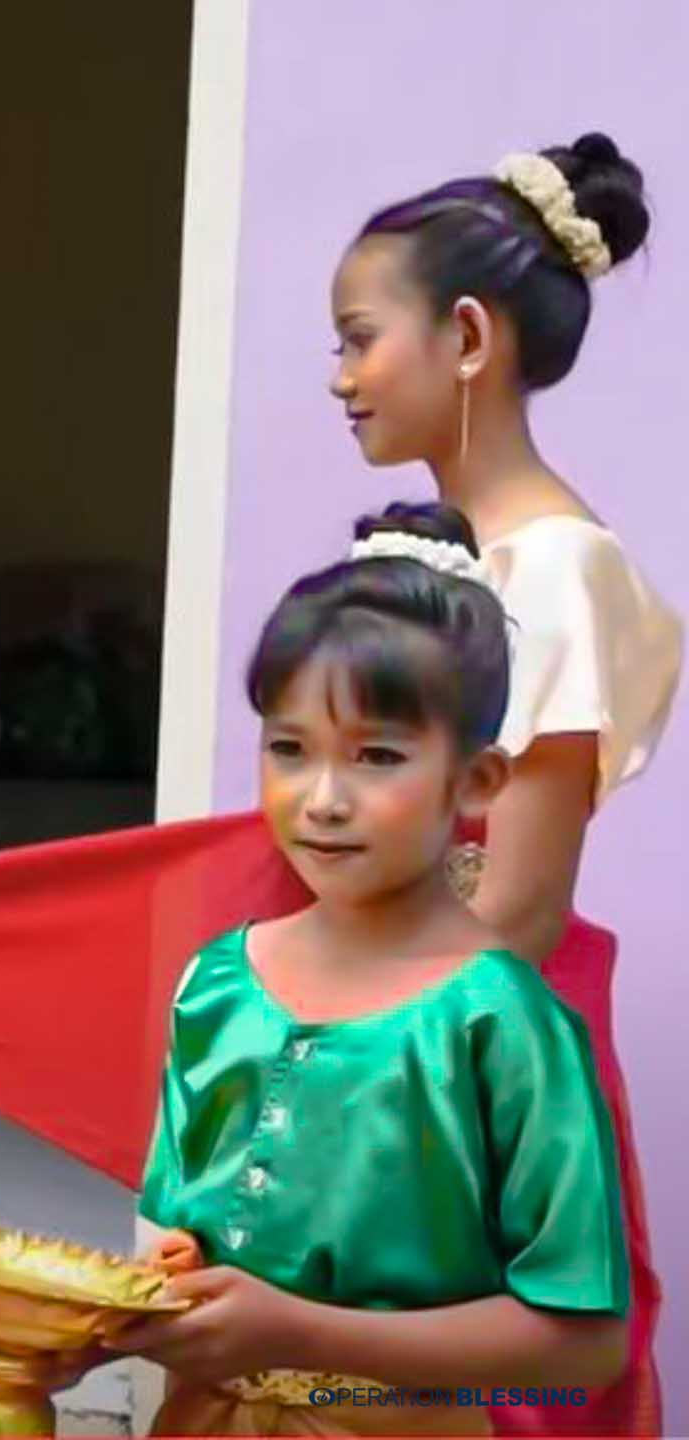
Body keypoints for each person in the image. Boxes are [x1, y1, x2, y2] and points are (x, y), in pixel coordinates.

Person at [105, 508, 629, 1437]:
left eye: (377, 756)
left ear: (475, 784)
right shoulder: (219, 984)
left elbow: (583, 1349)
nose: (324, 799)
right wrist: (99, 1317)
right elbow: (169, 1245)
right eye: (289, 749)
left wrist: (306, 1334)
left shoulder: (504, 1022)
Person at [326, 133, 678, 1436]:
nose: (343, 378)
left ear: (468, 337)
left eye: (361, 339)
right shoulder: (447, 561)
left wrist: (343, 1078)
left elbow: (516, 906)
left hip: (472, 1063)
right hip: (408, 1024)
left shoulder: (556, 575)